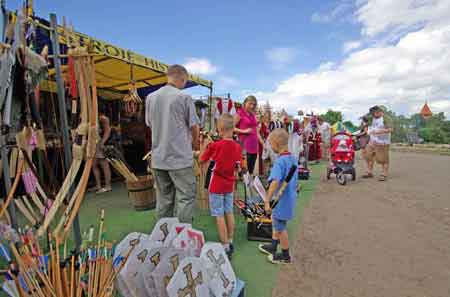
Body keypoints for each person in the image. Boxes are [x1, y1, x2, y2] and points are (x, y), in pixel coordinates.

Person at [145, 64, 200, 223]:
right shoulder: (184, 97)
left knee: (164, 199)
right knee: (186, 197)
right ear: (183, 79)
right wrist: (195, 146)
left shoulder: (151, 97)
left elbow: (150, 123)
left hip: (159, 157)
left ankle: (162, 237)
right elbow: (194, 127)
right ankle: (182, 236)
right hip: (179, 158)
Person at [200, 114, 242, 258]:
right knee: (229, 212)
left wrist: (206, 146)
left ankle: (225, 245)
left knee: (219, 215)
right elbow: (238, 166)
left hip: (216, 185)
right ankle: (230, 240)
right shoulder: (237, 146)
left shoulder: (215, 145)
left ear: (220, 129)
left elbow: (201, 159)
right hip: (229, 184)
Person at [258, 129, 298, 264]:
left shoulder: (280, 162)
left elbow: (274, 182)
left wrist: (267, 201)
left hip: (280, 201)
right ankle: (274, 245)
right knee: (277, 223)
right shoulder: (292, 159)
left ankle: (286, 255)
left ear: (275, 144)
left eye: (270, 144)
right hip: (289, 199)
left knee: (280, 228)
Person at [234, 95, 264, 175]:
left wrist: (263, 143)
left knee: (251, 172)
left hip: (254, 146)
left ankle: (249, 186)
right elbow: (231, 128)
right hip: (244, 147)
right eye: (250, 104)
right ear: (245, 103)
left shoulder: (253, 115)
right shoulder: (240, 113)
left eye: (254, 104)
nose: (252, 106)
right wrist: (244, 131)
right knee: (244, 172)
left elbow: (256, 131)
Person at [363, 106, 393, 181]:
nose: (372, 115)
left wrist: (378, 131)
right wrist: (366, 131)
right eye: (372, 113)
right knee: (368, 156)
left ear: (379, 111)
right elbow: (365, 125)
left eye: (374, 113)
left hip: (383, 142)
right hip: (372, 141)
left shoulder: (386, 118)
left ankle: (384, 174)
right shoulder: (371, 118)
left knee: (383, 159)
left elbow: (391, 129)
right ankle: (369, 172)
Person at [92, 107, 112, 194]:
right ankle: (98, 185)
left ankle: (108, 186)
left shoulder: (103, 118)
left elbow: (108, 131)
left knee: (104, 164)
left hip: (99, 143)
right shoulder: (94, 117)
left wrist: (102, 142)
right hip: (94, 144)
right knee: (94, 165)